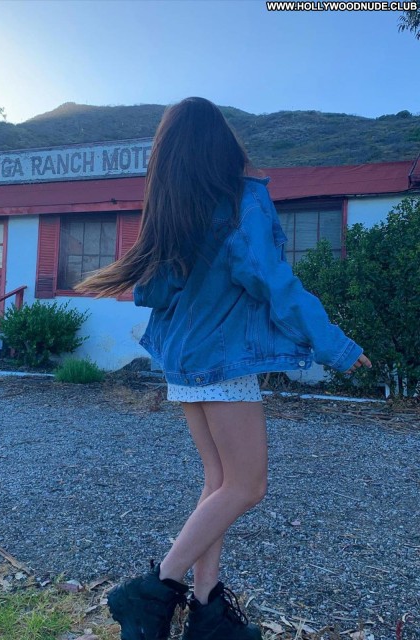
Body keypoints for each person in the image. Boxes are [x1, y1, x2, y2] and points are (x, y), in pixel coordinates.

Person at [74, 97, 372, 640]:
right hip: (220, 358)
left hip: (184, 359)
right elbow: (273, 280)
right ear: (222, 143)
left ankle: (208, 610)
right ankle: (153, 590)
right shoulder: (239, 202)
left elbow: (156, 291)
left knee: (219, 481)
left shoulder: (178, 210)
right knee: (248, 485)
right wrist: (336, 345)